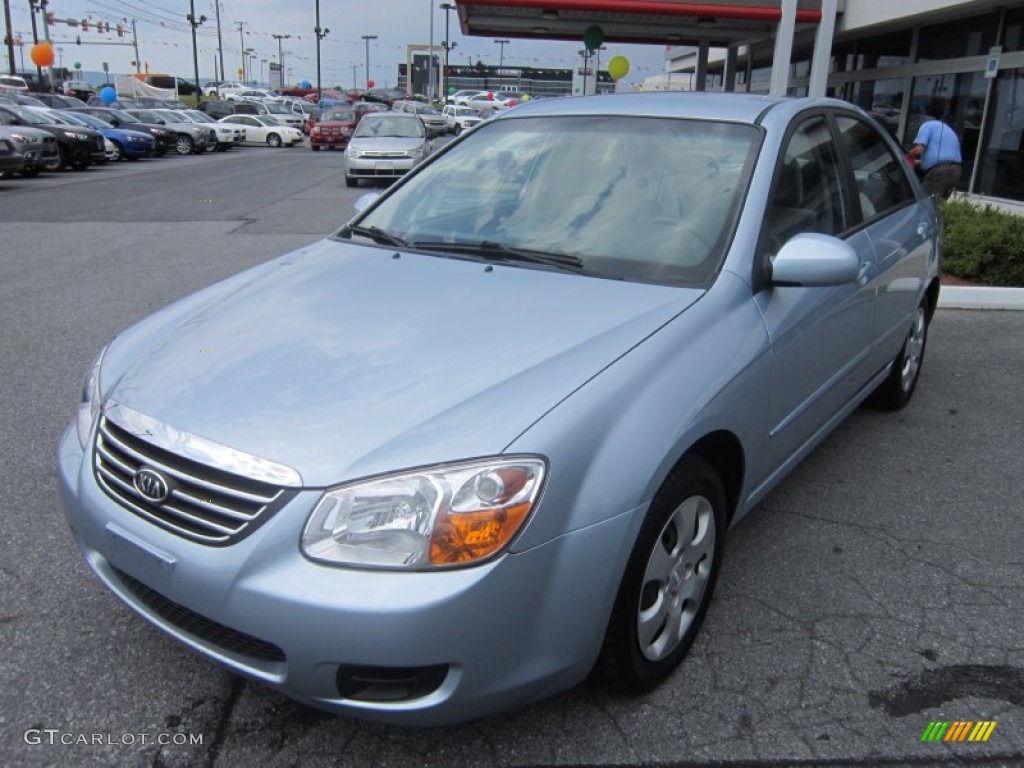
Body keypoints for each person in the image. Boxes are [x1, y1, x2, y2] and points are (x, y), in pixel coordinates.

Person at [909, 104, 962, 199]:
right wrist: (914, 161)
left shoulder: (927, 125)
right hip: (955, 170)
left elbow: (920, 149)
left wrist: (905, 155)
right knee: (939, 203)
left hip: (940, 171)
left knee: (924, 201)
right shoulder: (946, 128)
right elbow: (934, 160)